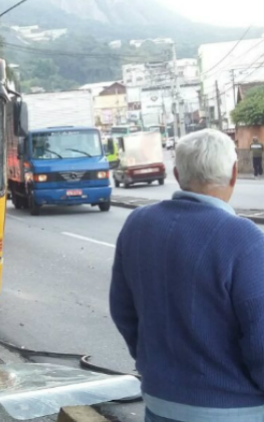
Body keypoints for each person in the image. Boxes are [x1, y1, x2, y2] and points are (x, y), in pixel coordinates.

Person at [110, 129, 264, 422]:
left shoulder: (138, 224)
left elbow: (123, 312)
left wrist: (153, 364)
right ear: (234, 173)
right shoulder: (243, 238)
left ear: (178, 173)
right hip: (234, 409)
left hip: (160, 401)